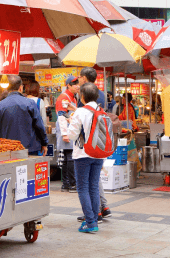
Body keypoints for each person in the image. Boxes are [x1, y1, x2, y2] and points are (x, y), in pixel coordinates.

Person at [74, 67, 112, 219]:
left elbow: (75, 131)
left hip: (85, 147)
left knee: (85, 185)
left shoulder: (83, 100)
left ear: (84, 78)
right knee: (94, 182)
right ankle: (100, 210)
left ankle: (92, 216)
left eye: (80, 76)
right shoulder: (101, 94)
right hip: (99, 144)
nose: (78, 79)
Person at [67, 83, 105, 233]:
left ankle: (90, 222)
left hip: (82, 154)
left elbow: (71, 135)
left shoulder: (80, 112)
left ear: (82, 97)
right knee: (93, 186)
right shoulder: (101, 110)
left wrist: (70, 123)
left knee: (83, 188)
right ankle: (94, 220)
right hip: (98, 153)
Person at [0, 75, 48, 156]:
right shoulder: (30, 103)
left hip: (7, 150)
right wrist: (44, 142)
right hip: (29, 149)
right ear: (21, 88)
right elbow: (39, 126)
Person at [55, 76, 79, 193]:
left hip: (69, 128)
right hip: (65, 128)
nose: (77, 86)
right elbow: (61, 115)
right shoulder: (64, 97)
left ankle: (66, 184)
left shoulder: (72, 97)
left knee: (66, 156)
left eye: (78, 83)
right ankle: (71, 184)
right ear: (68, 85)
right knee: (69, 156)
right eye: (75, 84)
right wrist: (65, 134)